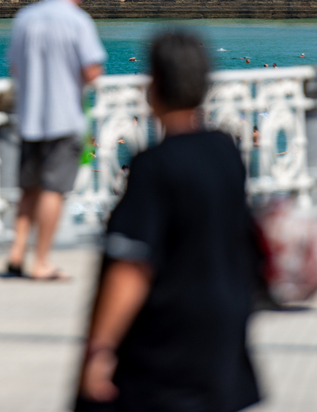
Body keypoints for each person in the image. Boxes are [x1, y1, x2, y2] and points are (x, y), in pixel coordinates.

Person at [75, 32, 260, 412]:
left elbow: (131, 267)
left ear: (155, 85)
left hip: (164, 340)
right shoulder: (226, 153)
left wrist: (100, 349)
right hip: (224, 328)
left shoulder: (154, 167)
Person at [5, 0, 106, 281]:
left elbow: (15, 67)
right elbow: (92, 71)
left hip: (29, 117)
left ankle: (16, 253)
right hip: (64, 117)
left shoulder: (25, 18)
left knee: (28, 189)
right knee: (53, 190)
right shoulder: (78, 21)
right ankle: (41, 261)